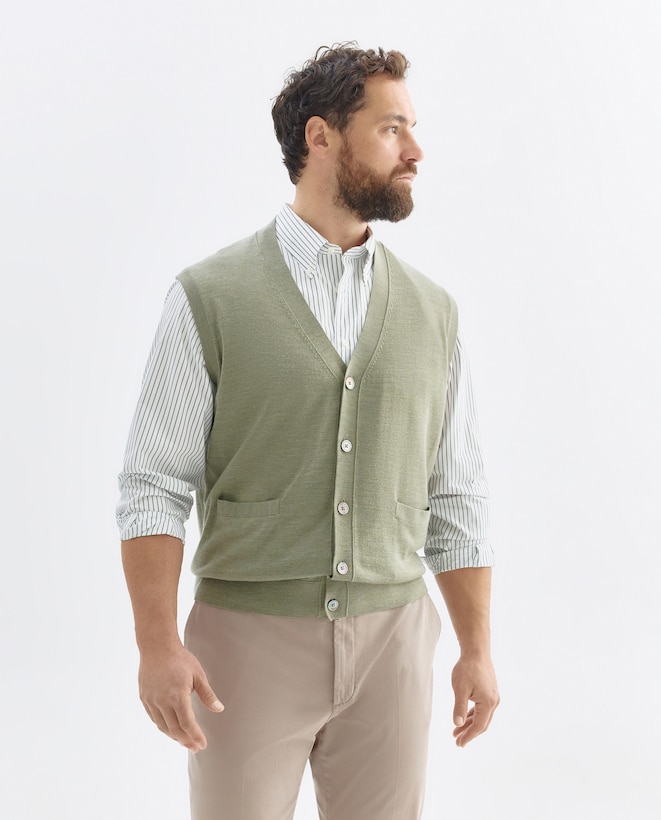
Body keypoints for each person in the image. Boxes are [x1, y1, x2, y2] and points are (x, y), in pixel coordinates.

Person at [117, 43, 499, 820]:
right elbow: (154, 483)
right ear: (320, 137)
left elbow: (455, 491)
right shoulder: (209, 297)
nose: (415, 151)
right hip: (244, 644)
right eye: (391, 129)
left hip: (395, 641)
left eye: (412, 128)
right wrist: (156, 646)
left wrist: (476, 648)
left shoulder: (433, 312)